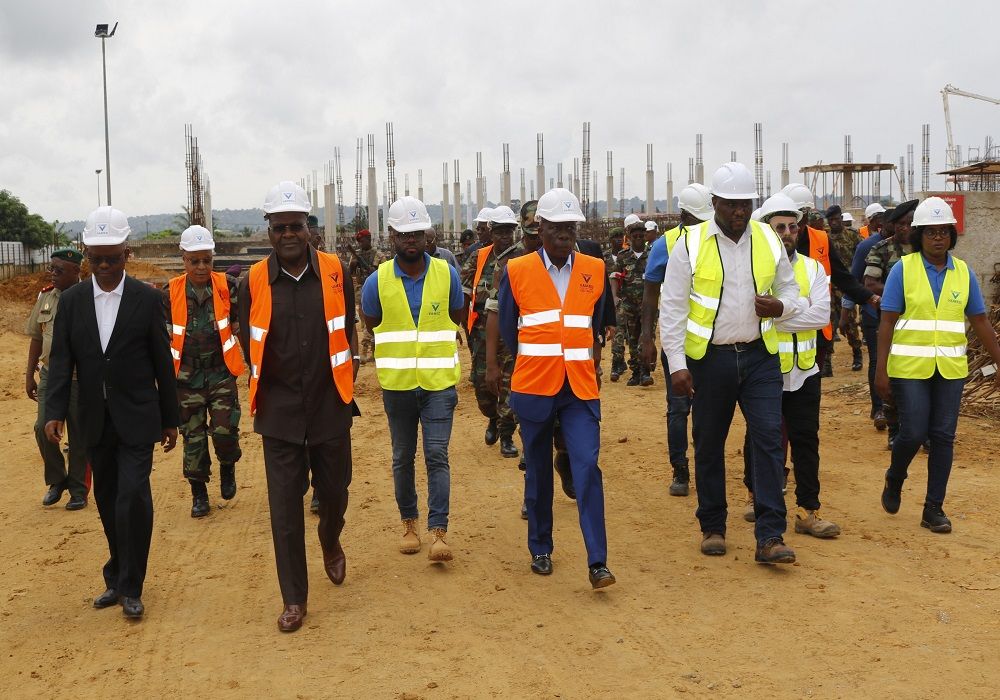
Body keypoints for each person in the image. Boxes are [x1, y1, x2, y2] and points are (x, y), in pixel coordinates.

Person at [661, 163, 803, 564]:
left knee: (769, 440)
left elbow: (791, 289)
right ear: (715, 203)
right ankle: (713, 526)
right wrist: (677, 364)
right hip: (710, 361)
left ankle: (770, 535)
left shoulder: (768, 238)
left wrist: (781, 306)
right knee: (709, 442)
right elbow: (672, 309)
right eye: (731, 204)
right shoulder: (690, 244)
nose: (739, 211)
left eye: (745, 204)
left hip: (760, 358)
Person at [44, 206, 179, 620]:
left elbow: (162, 363)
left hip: (138, 417)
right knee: (105, 497)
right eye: (96, 258)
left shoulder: (148, 299)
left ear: (127, 253)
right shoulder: (71, 302)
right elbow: (62, 360)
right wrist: (54, 411)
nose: (104, 266)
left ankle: (131, 586)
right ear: (87, 255)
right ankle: (117, 574)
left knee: (132, 496)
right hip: (93, 420)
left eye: (112, 258)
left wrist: (170, 418)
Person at [237, 181, 358, 633]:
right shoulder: (252, 281)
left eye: (296, 226)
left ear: (309, 228)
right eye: (280, 227)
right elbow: (250, 342)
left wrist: (350, 371)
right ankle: (294, 599)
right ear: (268, 230)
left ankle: (330, 537)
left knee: (335, 493)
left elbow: (346, 328)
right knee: (285, 510)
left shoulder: (335, 271)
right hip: (280, 412)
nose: (288, 234)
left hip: (330, 405)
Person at [498, 187, 615, 589]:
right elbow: (510, 331)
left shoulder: (594, 269)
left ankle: (597, 562)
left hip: (579, 388)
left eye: (571, 227)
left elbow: (594, 324)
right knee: (538, 470)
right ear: (540, 228)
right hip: (534, 385)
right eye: (557, 227)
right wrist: (535, 360)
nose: (565, 234)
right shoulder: (517, 270)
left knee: (586, 465)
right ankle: (540, 548)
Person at [876, 197, 1000, 533]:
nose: (938, 238)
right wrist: (880, 370)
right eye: (930, 232)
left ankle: (934, 508)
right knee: (913, 432)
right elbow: (887, 322)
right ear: (919, 235)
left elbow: (980, 321)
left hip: (949, 369)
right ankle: (895, 476)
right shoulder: (903, 270)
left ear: (951, 235)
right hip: (909, 368)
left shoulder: (963, 273)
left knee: (943, 437)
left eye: (944, 231)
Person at [362, 196, 464, 561]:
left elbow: (455, 315)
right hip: (399, 385)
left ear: (427, 235)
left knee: (437, 454)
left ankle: (439, 531)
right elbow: (371, 322)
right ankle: (409, 524)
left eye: (417, 233)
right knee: (402, 456)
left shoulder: (446, 274)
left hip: (439, 384)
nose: (411, 239)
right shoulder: (376, 282)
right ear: (391, 235)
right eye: (404, 233)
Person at [741, 194, 840, 538]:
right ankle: (755, 496)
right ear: (765, 230)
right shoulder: (755, 268)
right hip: (765, 370)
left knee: (806, 440)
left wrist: (778, 313)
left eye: (792, 227)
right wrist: (799, 308)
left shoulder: (813, 268)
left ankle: (808, 511)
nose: (787, 233)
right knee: (762, 438)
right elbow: (751, 315)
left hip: (805, 370)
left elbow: (821, 316)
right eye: (779, 227)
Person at [639, 184, 714, 497]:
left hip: (712, 344)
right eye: (697, 219)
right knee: (679, 407)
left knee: (708, 411)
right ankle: (680, 469)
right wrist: (647, 337)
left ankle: (706, 469)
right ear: (683, 217)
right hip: (677, 342)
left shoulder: (717, 240)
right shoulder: (666, 245)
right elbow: (650, 294)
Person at [165, 226, 244, 518]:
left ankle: (227, 465)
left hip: (221, 373)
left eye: (206, 260)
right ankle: (198, 494)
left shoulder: (228, 287)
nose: (201, 266)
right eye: (194, 260)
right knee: (193, 438)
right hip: (186, 378)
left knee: (224, 431)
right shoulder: (170, 293)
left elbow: (241, 325)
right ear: (183, 259)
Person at [782, 184, 877, 378]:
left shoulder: (821, 239)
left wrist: (870, 297)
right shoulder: (773, 240)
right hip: (784, 326)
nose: (799, 221)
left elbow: (842, 276)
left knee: (810, 385)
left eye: (803, 214)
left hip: (815, 327)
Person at [26, 248, 89, 510]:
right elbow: (36, 336)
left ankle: (78, 490)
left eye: (59, 270)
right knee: (42, 427)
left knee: (79, 435)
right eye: (51, 268)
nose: (52, 273)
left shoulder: (89, 297)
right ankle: (57, 480)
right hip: (50, 376)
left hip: (78, 378)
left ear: (76, 271)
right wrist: (29, 374)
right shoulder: (46, 296)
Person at [462, 205, 521, 457]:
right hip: (481, 335)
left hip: (511, 334)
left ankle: (507, 434)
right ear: (491, 232)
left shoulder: (521, 258)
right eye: (499, 231)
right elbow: (464, 294)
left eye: (509, 231)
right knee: (483, 389)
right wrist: (466, 329)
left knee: (509, 385)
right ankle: (493, 418)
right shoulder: (478, 257)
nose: (505, 236)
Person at [865, 200, 919, 450]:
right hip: (892, 322)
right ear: (893, 226)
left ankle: (922, 431)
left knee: (920, 376)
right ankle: (895, 429)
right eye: (901, 224)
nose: (906, 228)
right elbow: (870, 284)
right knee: (892, 373)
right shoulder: (882, 249)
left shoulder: (924, 249)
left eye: (910, 223)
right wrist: (902, 295)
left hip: (921, 323)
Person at [848, 204, 895, 427]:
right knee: (877, 360)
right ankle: (879, 409)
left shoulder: (912, 248)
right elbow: (854, 278)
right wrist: (847, 309)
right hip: (873, 314)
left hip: (902, 318)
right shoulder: (868, 246)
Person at [611, 219, 652, 385]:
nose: (638, 239)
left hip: (648, 304)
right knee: (633, 339)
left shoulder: (652, 255)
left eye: (641, 236)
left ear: (645, 236)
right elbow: (615, 277)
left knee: (646, 336)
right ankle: (635, 372)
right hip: (629, 304)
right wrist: (614, 296)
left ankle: (645, 372)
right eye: (635, 236)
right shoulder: (623, 256)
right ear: (629, 238)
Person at [826, 205, 865, 371]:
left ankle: (857, 353)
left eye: (836, 219)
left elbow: (864, 255)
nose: (834, 223)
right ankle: (826, 361)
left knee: (849, 321)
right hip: (828, 287)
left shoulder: (852, 236)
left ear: (841, 218)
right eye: (831, 220)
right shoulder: (825, 238)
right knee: (827, 323)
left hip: (846, 287)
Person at [348, 229, 386, 364]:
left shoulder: (379, 256)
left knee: (374, 322)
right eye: (358, 242)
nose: (360, 244)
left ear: (369, 239)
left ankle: (372, 351)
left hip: (376, 291)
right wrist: (352, 265)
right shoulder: (356, 256)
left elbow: (385, 274)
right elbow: (349, 273)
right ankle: (365, 351)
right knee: (364, 323)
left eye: (362, 241)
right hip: (361, 290)